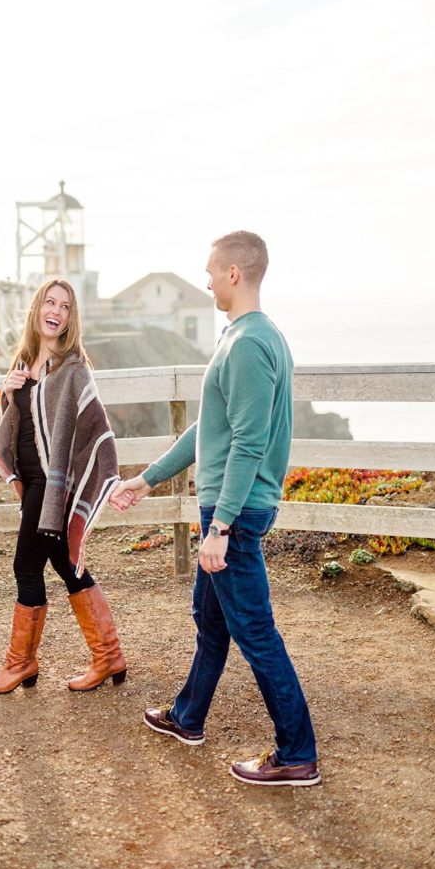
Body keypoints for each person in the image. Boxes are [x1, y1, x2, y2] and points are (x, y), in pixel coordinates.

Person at [109, 231, 320, 787]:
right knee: (211, 620)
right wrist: (148, 479)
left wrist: (220, 526)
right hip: (231, 507)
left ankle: (297, 753)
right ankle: (188, 716)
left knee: (256, 634)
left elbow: (249, 442)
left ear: (234, 273)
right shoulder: (248, 337)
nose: (205, 280)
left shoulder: (249, 344)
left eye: (210, 270)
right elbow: (211, 429)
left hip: (236, 512)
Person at [0, 278, 127, 695]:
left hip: (52, 487)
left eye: (65, 306)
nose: (57, 311)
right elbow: (22, 426)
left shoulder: (73, 369)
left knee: (25, 568)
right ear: (37, 309)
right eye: (50, 302)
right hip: (32, 485)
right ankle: (109, 655)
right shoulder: (25, 364)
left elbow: (96, 428)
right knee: (66, 565)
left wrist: (110, 478)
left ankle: (20, 664)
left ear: (70, 318)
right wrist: (7, 394)